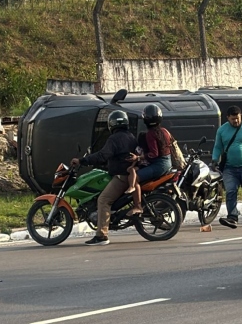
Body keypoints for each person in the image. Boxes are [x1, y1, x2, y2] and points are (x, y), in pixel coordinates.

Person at [70, 110, 137, 246]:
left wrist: (83, 161)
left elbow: (103, 155)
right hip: (127, 174)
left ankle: (102, 235)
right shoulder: (130, 136)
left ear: (111, 124)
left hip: (121, 177)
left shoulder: (114, 139)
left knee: (103, 200)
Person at [125, 104, 174, 217]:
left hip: (159, 165)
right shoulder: (165, 131)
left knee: (134, 177)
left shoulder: (150, 134)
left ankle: (137, 206)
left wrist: (137, 158)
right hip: (168, 162)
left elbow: (154, 154)